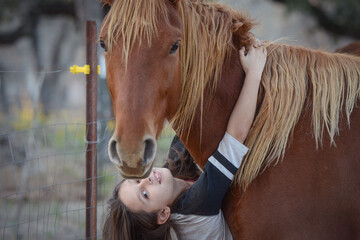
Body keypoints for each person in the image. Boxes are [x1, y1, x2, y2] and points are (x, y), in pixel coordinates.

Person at [102, 42, 267, 240]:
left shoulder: (172, 172)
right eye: (145, 195)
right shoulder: (196, 206)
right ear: (164, 214)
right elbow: (235, 136)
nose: (147, 180)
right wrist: (254, 72)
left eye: (137, 179)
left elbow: (191, 123)